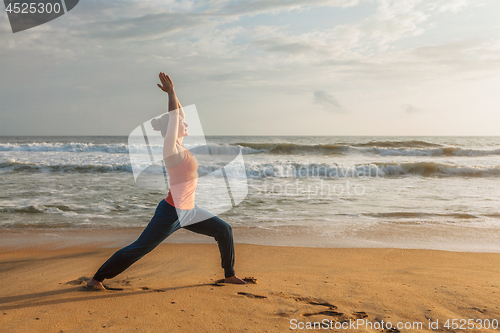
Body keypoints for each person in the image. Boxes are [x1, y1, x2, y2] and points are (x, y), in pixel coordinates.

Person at [87, 72, 245, 289]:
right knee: (140, 248)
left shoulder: (179, 144)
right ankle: (96, 279)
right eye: (182, 124)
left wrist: (174, 92)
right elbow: (174, 119)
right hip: (171, 213)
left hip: (189, 210)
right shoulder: (171, 150)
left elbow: (178, 114)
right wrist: (170, 93)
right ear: (173, 129)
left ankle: (229, 274)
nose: (186, 124)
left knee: (224, 230)